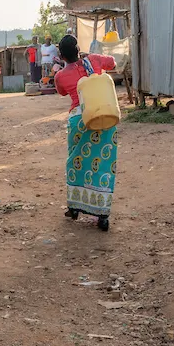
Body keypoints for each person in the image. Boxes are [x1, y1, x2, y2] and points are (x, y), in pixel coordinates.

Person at [53, 34, 117, 231]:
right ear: (79, 49)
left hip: (79, 120)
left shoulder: (60, 76)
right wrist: (90, 58)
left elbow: (62, 92)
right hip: (104, 116)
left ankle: (74, 207)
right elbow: (113, 63)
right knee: (104, 163)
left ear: (62, 56)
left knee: (76, 161)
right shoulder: (94, 60)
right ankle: (102, 215)